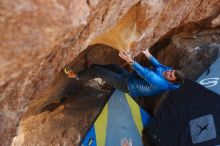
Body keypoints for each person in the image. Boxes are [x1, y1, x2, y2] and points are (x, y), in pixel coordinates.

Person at [64, 49, 184, 98]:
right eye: (171, 71)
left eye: (170, 75)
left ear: (169, 81)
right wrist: (147, 53)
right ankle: (91, 68)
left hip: (128, 86)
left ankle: (76, 76)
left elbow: (146, 73)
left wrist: (131, 61)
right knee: (113, 66)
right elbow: (159, 66)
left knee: (99, 72)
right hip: (131, 78)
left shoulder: (161, 83)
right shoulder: (167, 72)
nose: (168, 72)